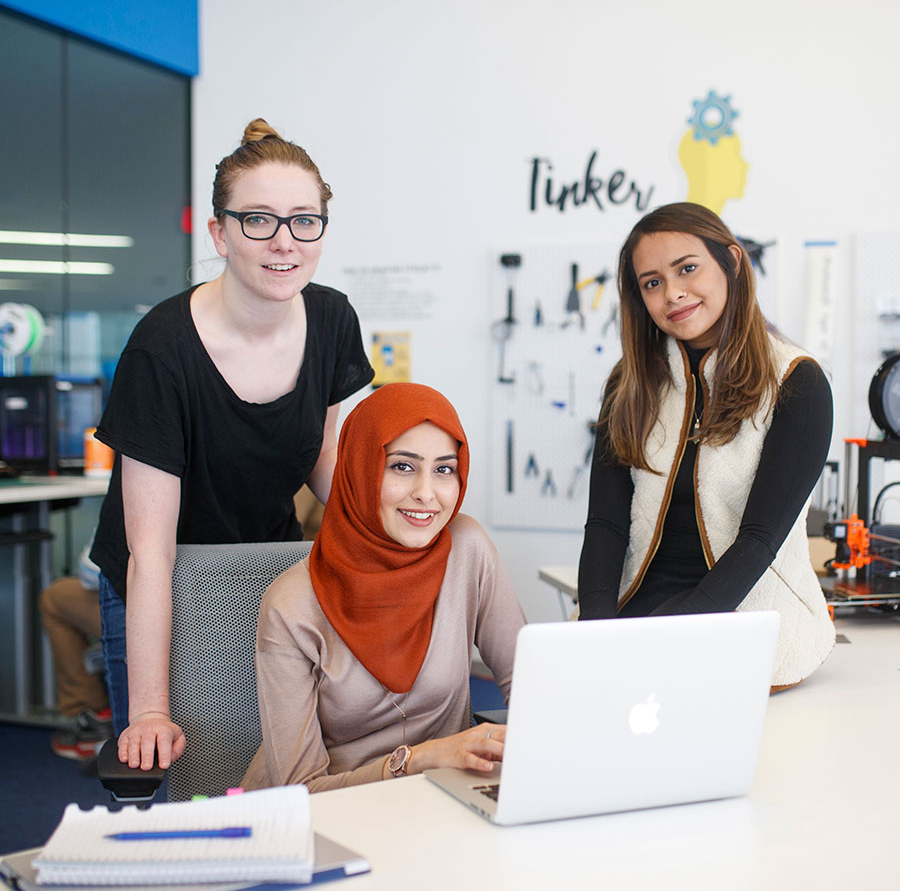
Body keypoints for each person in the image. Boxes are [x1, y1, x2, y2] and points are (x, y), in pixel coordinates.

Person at [89, 118, 374, 771]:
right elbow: (151, 553)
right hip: (160, 575)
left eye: (305, 220)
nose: (284, 242)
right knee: (175, 764)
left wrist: (377, 538)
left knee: (264, 753)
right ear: (219, 233)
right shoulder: (162, 351)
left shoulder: (332, 320)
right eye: (258, 220)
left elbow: (320, 458)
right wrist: (150, 709)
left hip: (263, 561)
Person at [577, 202, 835, 689]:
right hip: (638, 608)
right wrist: (593, 628)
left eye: (687, 269)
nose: (672, 293)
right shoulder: (628, 384)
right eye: (651, 282)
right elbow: (606, 522)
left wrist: (675, 638)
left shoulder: (797, 383)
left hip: (744, 612)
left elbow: (759, 541)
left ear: (732, 263)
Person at [241, 383, 526, 791]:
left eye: (444, 469)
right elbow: (299, 791)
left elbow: (529, 683)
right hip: (331, 818)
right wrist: (417, 760)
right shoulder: (292, 604)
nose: (426, 493)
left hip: (440, 803)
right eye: (402, 466)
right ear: (361, 467)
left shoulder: (467, 549)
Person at [38, 542, 112, 760]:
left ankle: (96, 718)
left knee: (54, 597)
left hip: (156, 612)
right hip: (208, 612)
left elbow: (91, 571)